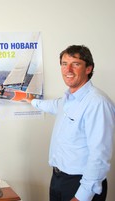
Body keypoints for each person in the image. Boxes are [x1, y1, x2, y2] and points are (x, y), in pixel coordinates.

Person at [26, 45, 115, 201]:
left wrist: (83, 195)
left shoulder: (97, 103)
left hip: (80, 185)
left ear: (88, 68)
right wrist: (32, 101)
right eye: (64, 64)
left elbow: (99, 155)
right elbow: (52, 105)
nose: (68, 69)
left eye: (75, 64)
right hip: (58, 180)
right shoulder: (67, 99)